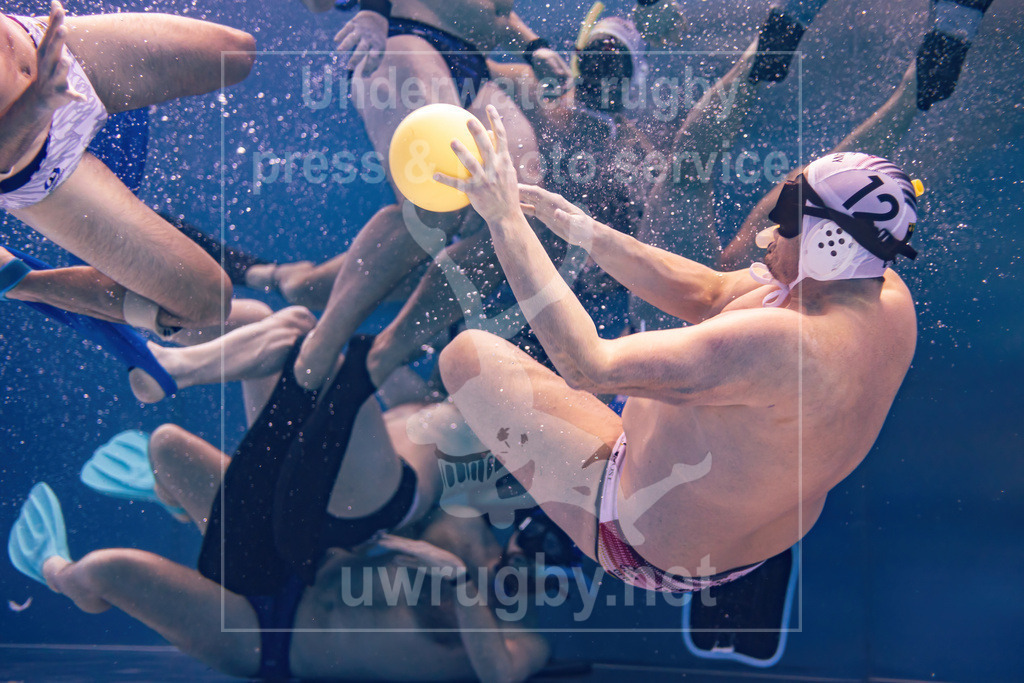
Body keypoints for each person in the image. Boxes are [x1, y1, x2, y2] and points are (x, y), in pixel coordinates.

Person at [431, 104, 918, 593]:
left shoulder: (785, 346)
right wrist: (588, 234)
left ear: (831, 244)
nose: (770, 228)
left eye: (789, 217)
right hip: (750, 530)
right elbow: (708, 295)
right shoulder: (886, 296)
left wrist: (504, 219)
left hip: (638, 539)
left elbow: (588, 366)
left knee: (466, 357)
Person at [10, 311, 552, 681]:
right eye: (530, 561)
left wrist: (459, 580)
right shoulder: (471, 520)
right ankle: (176, 497)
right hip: (294, 549)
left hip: (267, 636)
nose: (523, 574)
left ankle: (53, 568)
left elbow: (498, 675)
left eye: (535, 581)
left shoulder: (523, 641)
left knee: (103, 572)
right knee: (166, 446)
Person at [290, 0, 572, 389]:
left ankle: (383, 354)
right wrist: (374, 10)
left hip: (476, 66)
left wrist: (531, 44)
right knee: (433, 199)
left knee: (522, 216)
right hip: (411, 40)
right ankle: (321, 345)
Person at [0, 2, 255, 334]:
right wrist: (38, 101)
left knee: (235, 54)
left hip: (45, 47)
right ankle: (21, 283)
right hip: (36, 166)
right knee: (208, 302)